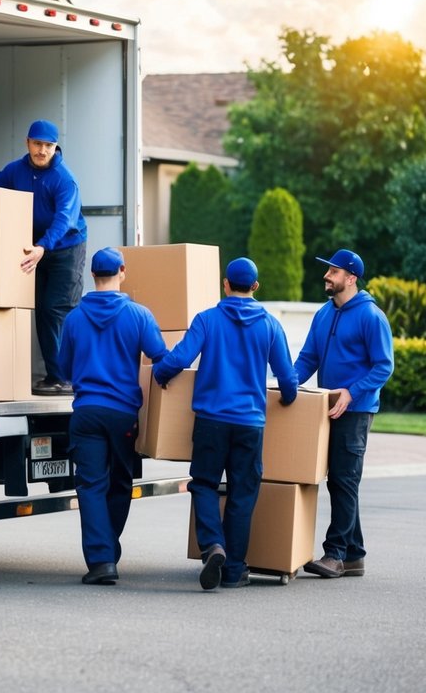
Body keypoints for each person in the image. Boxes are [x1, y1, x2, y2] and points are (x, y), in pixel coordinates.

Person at [152, 258, 298, 591]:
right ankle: (234, 570)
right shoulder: (270, 325)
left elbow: (178, 359)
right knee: (242, 494)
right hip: (250, 424)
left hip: (211, 421)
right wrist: (288, 398)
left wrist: (160, 374)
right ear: (256, 287)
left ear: (225, 284)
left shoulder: (208, 320)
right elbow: (287, 379)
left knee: (203, 485)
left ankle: (212, 545)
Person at [56, 247, 169, 585]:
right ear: (122, 271)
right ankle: (109, 550)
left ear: (93, 275)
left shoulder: (74, 318)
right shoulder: (139, 315)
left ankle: (102, 559)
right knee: (119, 484)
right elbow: (160, 357)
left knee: (90, 486)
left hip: (87, 412)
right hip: (123, 416)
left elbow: (63, 369)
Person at [295, 249, 394, 580]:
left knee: (344, 479)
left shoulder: (371, 316)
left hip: (356, 412)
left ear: (351, 278)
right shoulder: (324, 314)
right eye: (328, 271)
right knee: (340, 480)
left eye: (334, 272)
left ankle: (335, 554)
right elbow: (308, 358)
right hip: (327, 408)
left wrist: (352, 392)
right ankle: (354, 555)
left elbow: (384, 365)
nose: (327, 276)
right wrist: (286, 386)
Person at [0, 119, 87, 395]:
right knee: (40, 309)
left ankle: (67, 378)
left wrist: (42, 247)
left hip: (65, 250)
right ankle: (54, 376)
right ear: (27, 143)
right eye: (37, 144)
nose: (42, 150)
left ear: (55, 147)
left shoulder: (64, 179)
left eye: (48, 145)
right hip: (36, 249)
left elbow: (64, 220)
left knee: (56, 310)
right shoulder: (17, 170)